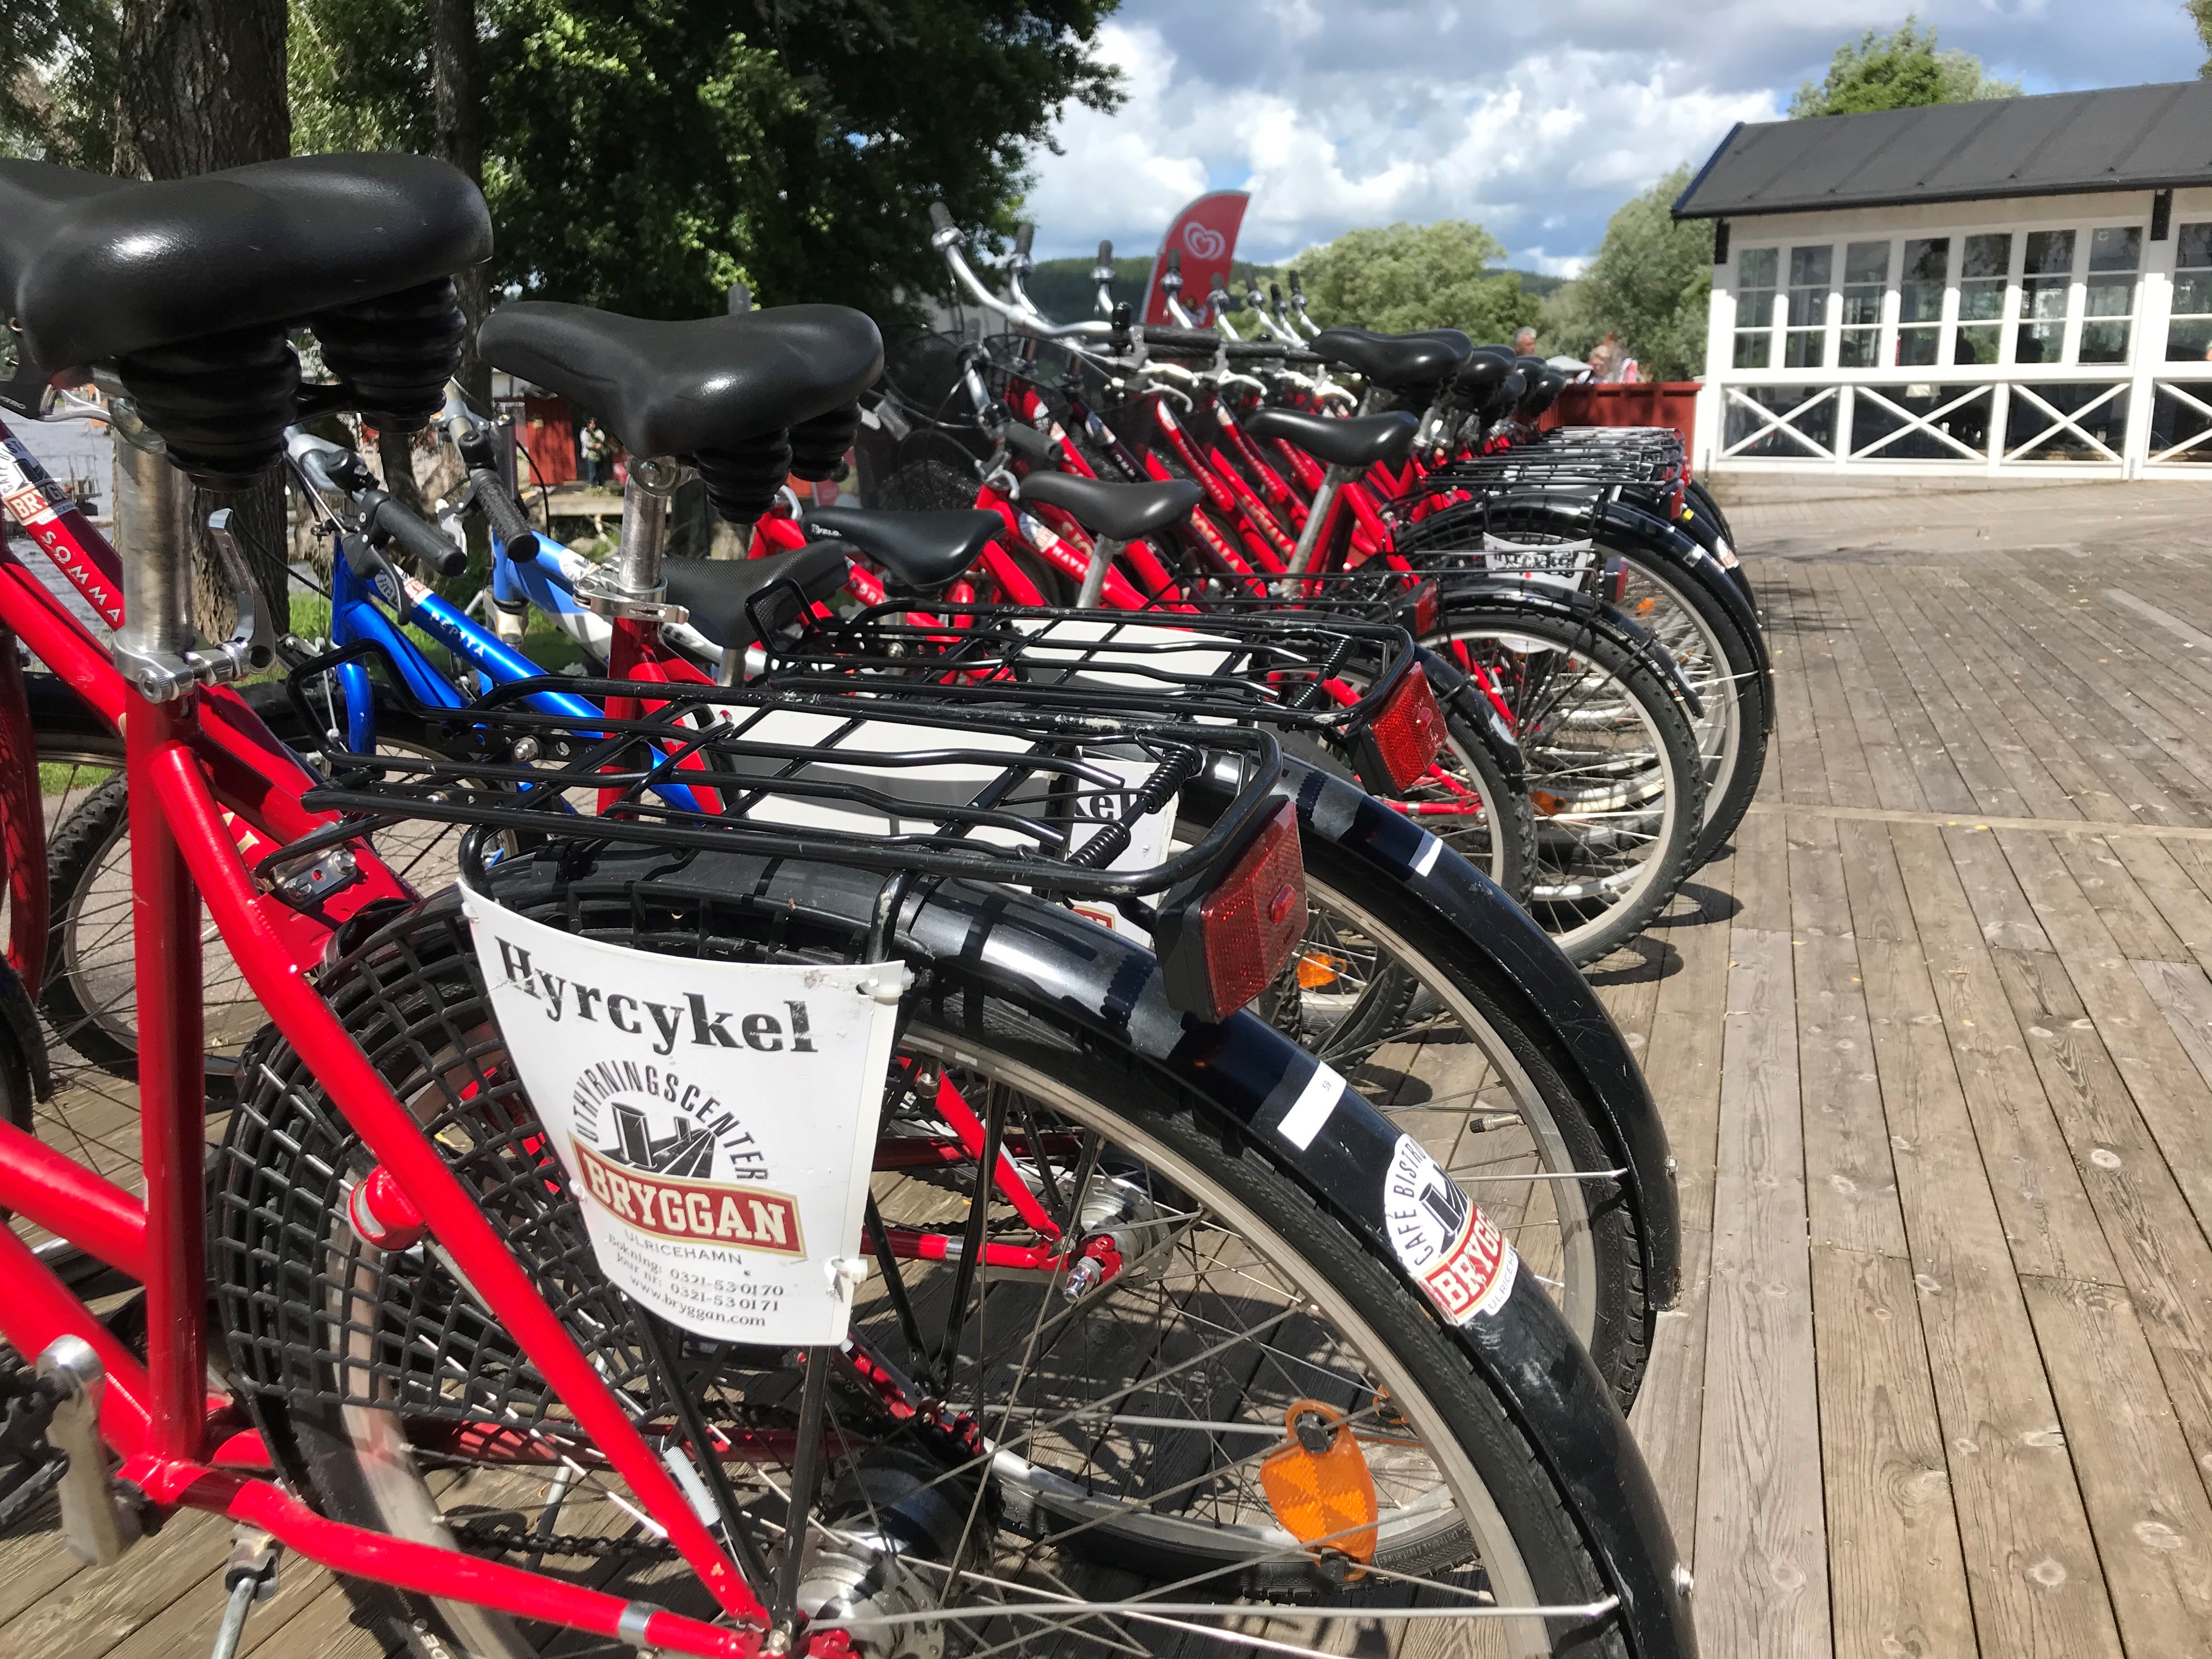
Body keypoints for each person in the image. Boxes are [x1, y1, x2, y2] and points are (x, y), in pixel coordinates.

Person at [579, 418, 611, 488]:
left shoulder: (598, 432)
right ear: (589, 424)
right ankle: (592, 487)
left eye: (595, 424)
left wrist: (600, 445)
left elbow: (602, 439)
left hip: (599, 454)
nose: (594, 425)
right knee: (592, 472)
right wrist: (595, 446)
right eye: (593, 424)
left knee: (600, 471)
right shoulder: (585, 432)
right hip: (590, 454)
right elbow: (586, 443)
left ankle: (601, 486)